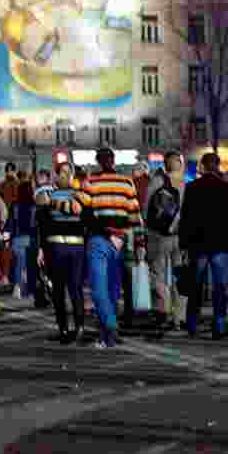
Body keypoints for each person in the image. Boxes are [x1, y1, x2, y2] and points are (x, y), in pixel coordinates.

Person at [77, 147, 146, 348]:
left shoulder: (90, 182)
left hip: (98, 239)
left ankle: (110, 327)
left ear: (98, 161)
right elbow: (135, 216)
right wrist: (140, 242)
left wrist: (58, 205)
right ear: (114, 161)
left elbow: (78, 209)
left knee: (99, 289)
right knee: (113, 289)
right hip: (120, 241)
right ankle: (108, 333)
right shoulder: (127, 182)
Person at [178, 153, 228, 340]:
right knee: (220, 286)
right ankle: (219, 323)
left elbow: (186, 217)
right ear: (217, 166)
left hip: (198, 243)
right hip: (221, 243)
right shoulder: (227, 188)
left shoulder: (192, 188)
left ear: (203, 166)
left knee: (196, 285)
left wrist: (184, 243)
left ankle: (192, 323)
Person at [37, 161, 87, 343]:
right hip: (67, 248)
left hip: (63, 248)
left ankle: (70, 328)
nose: (64, 176)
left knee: (65, 290)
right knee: (68, 289)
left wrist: (42, 249)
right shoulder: (79, 196)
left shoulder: (48, 197)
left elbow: (43, 225)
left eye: (66, 172)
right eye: (62, 172)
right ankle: (72, 328)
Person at [143, 151, 187, 331]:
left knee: (157, 274)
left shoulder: (156, 182)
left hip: (158, 236)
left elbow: (146, 210)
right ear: (179, 163)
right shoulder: (186, 183)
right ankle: (180, 317)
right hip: (180, 236)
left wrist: (148, 232)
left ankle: (163, 310)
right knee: (181, 275)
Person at [7, 179, 39, 302]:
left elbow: (10, 223)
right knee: (30, 265)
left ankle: (17, 286)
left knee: (18, 264)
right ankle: (29, 290)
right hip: (30, 239)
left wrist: (8, 239)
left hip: (17, 238)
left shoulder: (14, 205)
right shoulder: (34, 205)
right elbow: (36, 225)